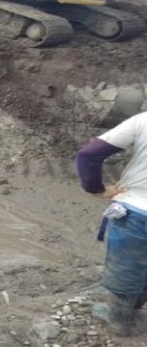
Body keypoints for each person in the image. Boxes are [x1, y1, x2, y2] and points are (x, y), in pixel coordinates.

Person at [76, 111, 147, 336]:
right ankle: (134, 308)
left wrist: (97, 188)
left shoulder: (143, 121)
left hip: (138, 211)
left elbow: (88, 155)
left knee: (127, 267)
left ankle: (119, 321)